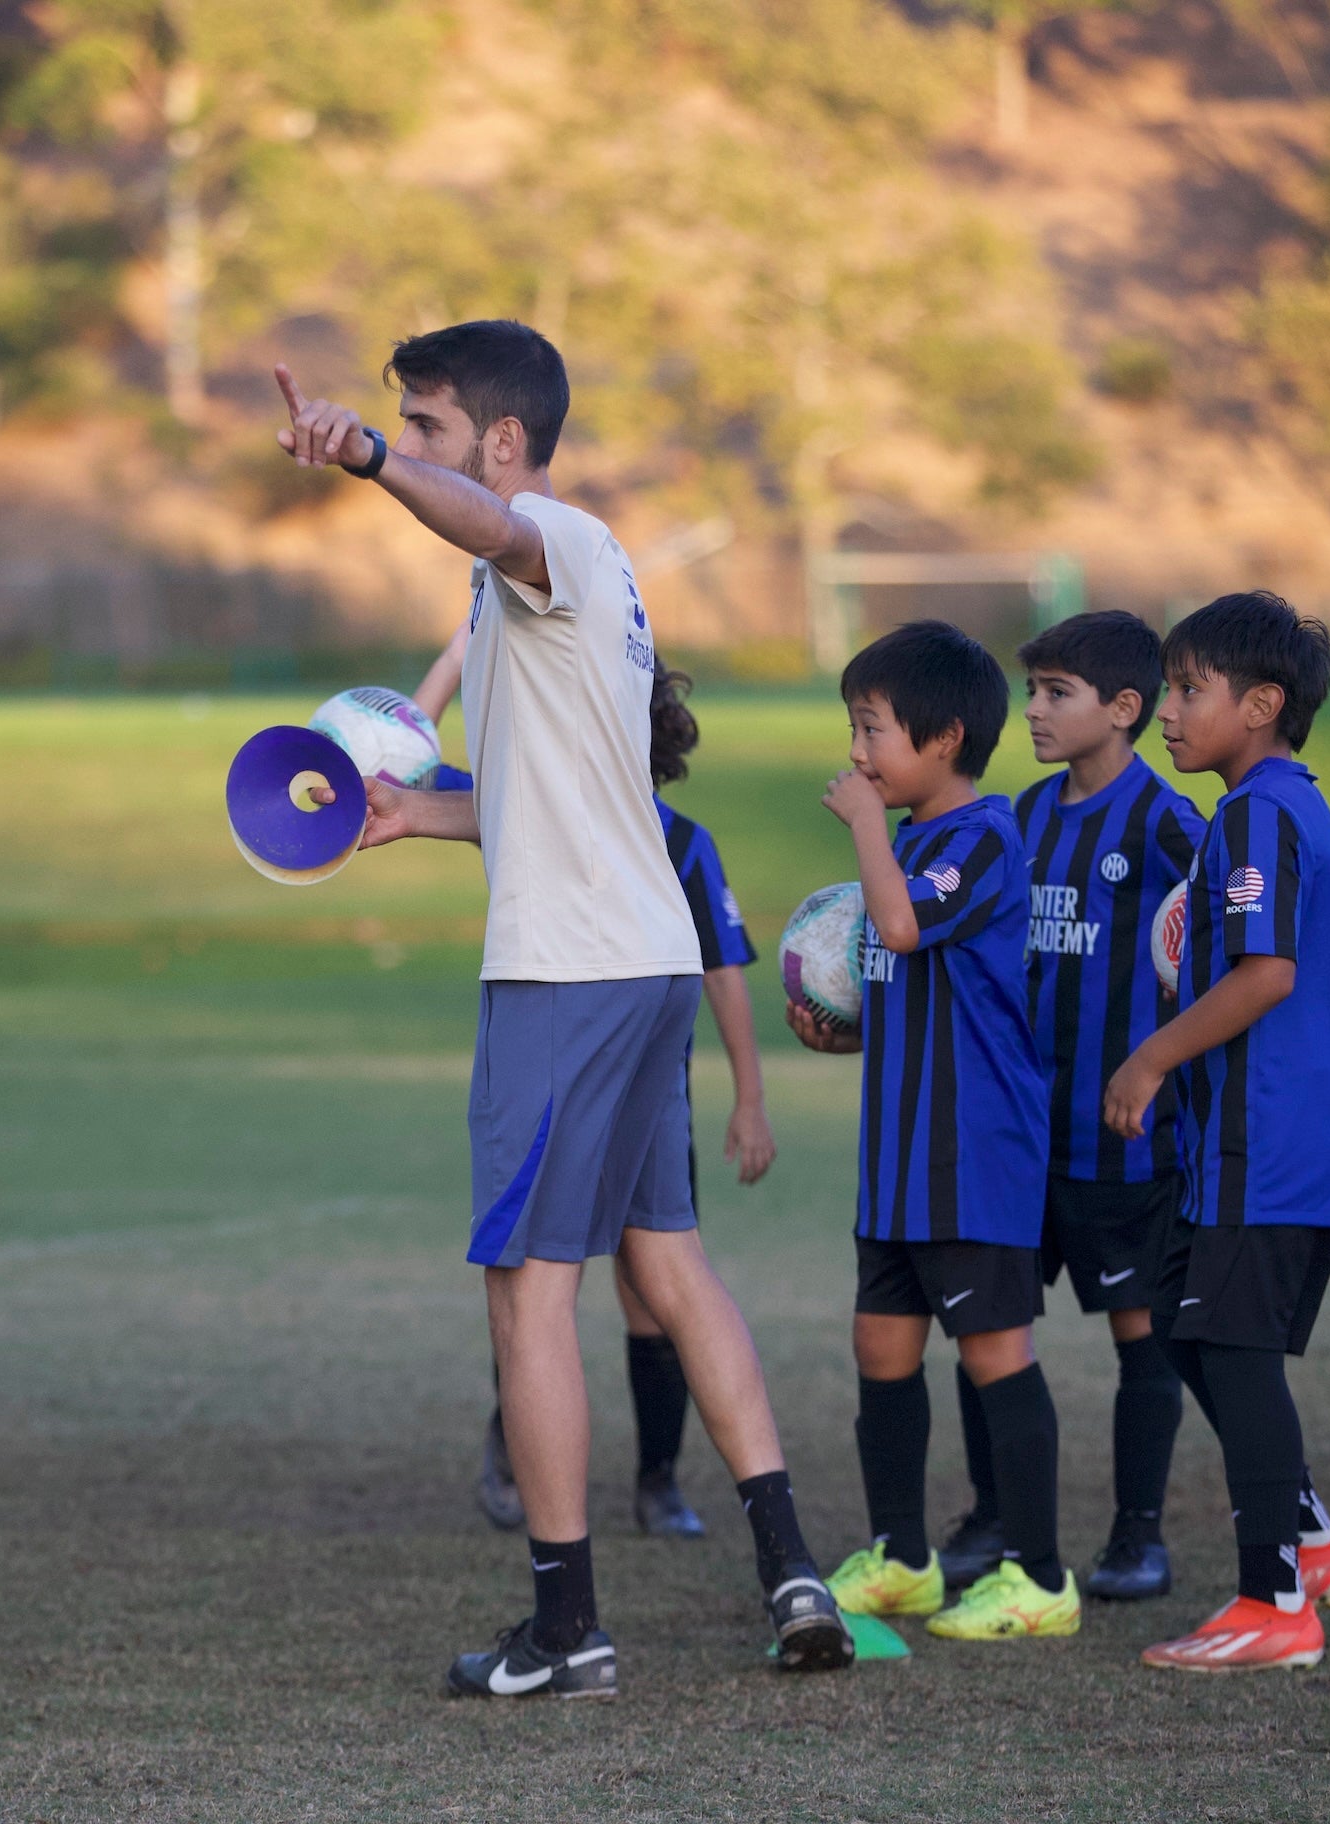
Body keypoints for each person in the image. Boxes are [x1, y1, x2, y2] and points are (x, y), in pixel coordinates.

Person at [272, 320, 852, 1698]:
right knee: (665, 1260)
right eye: (400, 427)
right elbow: (558, 798)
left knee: (529, 1296)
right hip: (637, 961)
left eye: (429, 426)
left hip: (568, 978)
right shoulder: (521, 587)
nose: (413, 445)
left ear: (507, 443)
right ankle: (791, 1565)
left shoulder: (553, 539)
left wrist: (360, 456)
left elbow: (478, 519)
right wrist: (418, 811)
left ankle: (567, 1627)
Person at [418, 645, 780, 1540]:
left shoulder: (684, 845)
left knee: (632, 1285)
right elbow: (407, 761)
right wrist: (458, 659)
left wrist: (749, 1097)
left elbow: (724, 973)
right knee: (546, 1284)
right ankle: (515, 1453)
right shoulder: (523, 807)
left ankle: (656, 1483)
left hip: (639, 1081)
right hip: (577, 1064)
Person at [786, 620, 1078, 1644]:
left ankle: (1039, 1576)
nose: (857, 753)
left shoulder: (982, 839)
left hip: (973, 1159)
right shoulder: (915, 846)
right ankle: (905, 1559)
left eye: (872, 730)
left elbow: (905, 926)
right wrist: (842, 1031)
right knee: (881, 1346)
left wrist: (866, 825)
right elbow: (910, 984)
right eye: (854, 730)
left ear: (945, 737)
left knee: (997, 1352)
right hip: (900, 1164)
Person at [1099, 591, 1330, 1674]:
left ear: (1261, 705)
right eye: (1167, 688)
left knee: (1234, 1350)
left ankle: (1275, 1603)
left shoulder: (1258, 814)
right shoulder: (1274, 809)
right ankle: (1311, 1536)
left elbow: (1271, 970)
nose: (1167, 711)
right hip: (1247, 1142)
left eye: (1187, 690)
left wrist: (1154, 1052)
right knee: (1183, 1321)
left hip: (1274, 1135)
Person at [999, 609, 1206, 1603]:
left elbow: (1308, 915)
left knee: (1141, 1337)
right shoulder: (1023, 819)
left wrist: (1169, 1055)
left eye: (1055, 693)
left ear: (1124, 709)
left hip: (1122, 1143)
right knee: (993, 1327)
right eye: (1031, 689)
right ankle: (995, 1519)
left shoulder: (1169, 823)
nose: (1033, 710)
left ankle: (1139, 1537)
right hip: (1017, 1136)